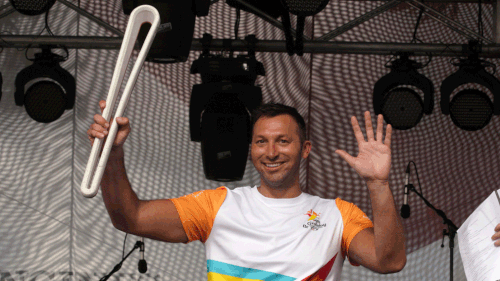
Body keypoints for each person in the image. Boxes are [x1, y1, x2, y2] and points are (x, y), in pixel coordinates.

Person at [87, 100, 406, 280]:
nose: (271, 152)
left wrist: (378, 184)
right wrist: (112, 155)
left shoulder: (337, 214)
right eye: (261, 142)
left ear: (305, 148)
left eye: (283, 140)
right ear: (250, 148)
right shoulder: (217, 205)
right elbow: (131, 218)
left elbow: (389, 261)